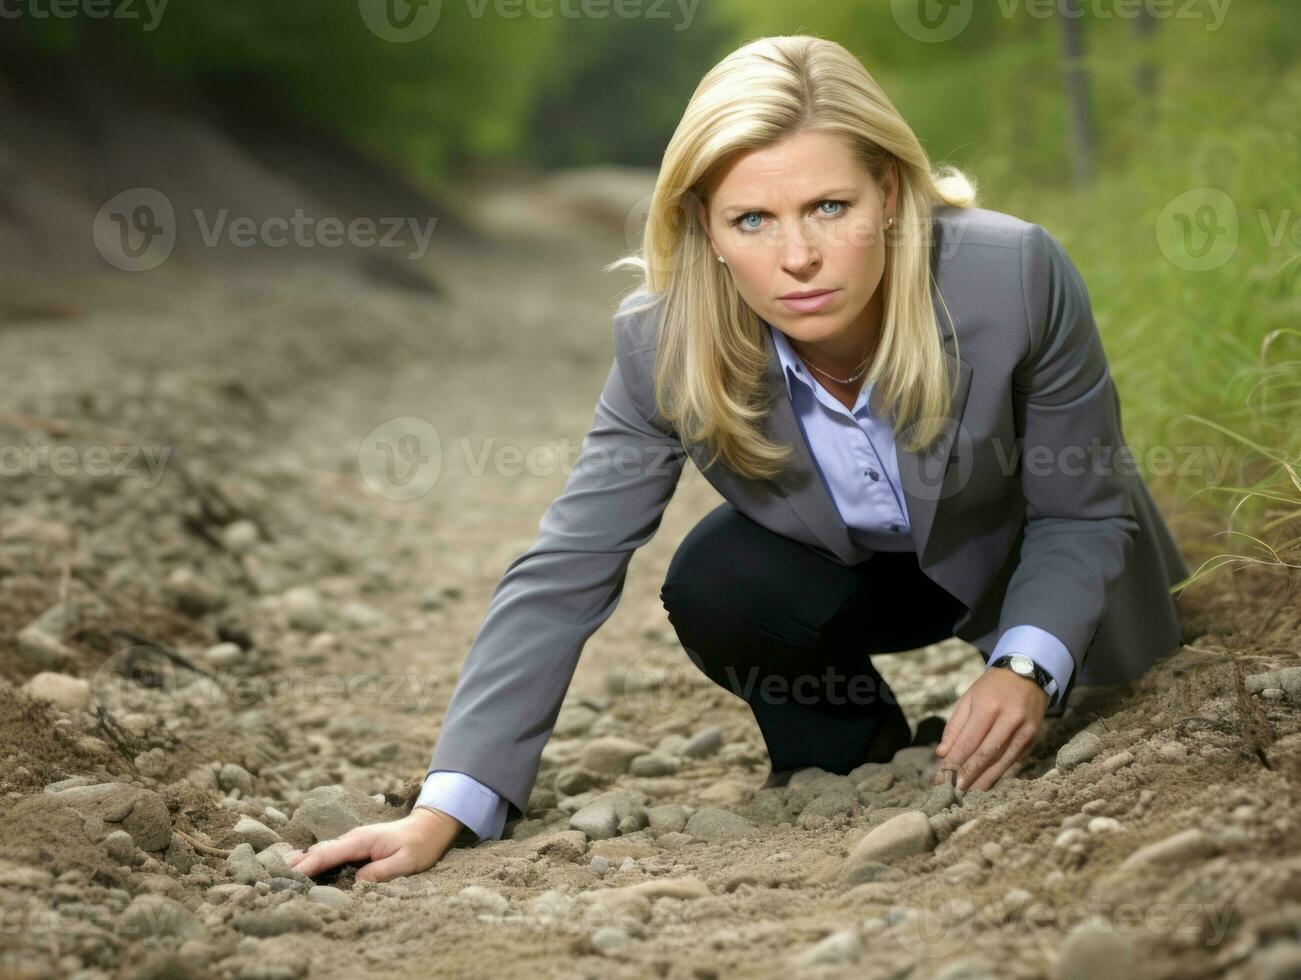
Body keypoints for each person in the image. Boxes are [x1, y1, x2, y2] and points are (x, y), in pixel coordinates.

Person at [287, 34, 1188, 884]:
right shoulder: (662, 345)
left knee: (1130, 707)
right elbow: (566, 566)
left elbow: (1078, 507)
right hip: (853, 573)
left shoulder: (1013, 276)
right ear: (706, 230)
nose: (797, 257)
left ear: (888, 193)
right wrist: (445, 806)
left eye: (829, 207)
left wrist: (1025, 664)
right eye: (752, 219)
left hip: (1020, 546)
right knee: (716, 574)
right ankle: (854, 752)